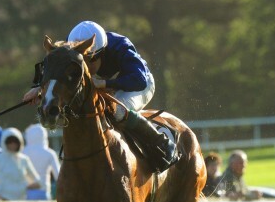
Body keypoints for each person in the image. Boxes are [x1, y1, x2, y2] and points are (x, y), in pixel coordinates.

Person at [23, 20, 179, 173]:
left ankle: (161, 144)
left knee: (117, 111)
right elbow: (56, 69)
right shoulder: (72, 45)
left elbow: (138, 81)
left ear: (101, 53)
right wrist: (39, 88)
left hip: (137, 86)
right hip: (102, 86)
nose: (85, 69)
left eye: (88, 61)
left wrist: (105, 83)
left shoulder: (121, 46)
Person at [0, 127, 41, 201]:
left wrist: (30, 186)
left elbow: (37, 180)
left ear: (20, 143)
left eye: (15, 142)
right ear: (4, 142)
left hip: (21, 201)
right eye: (9, 142)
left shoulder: (24, 159)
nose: (12, 144)